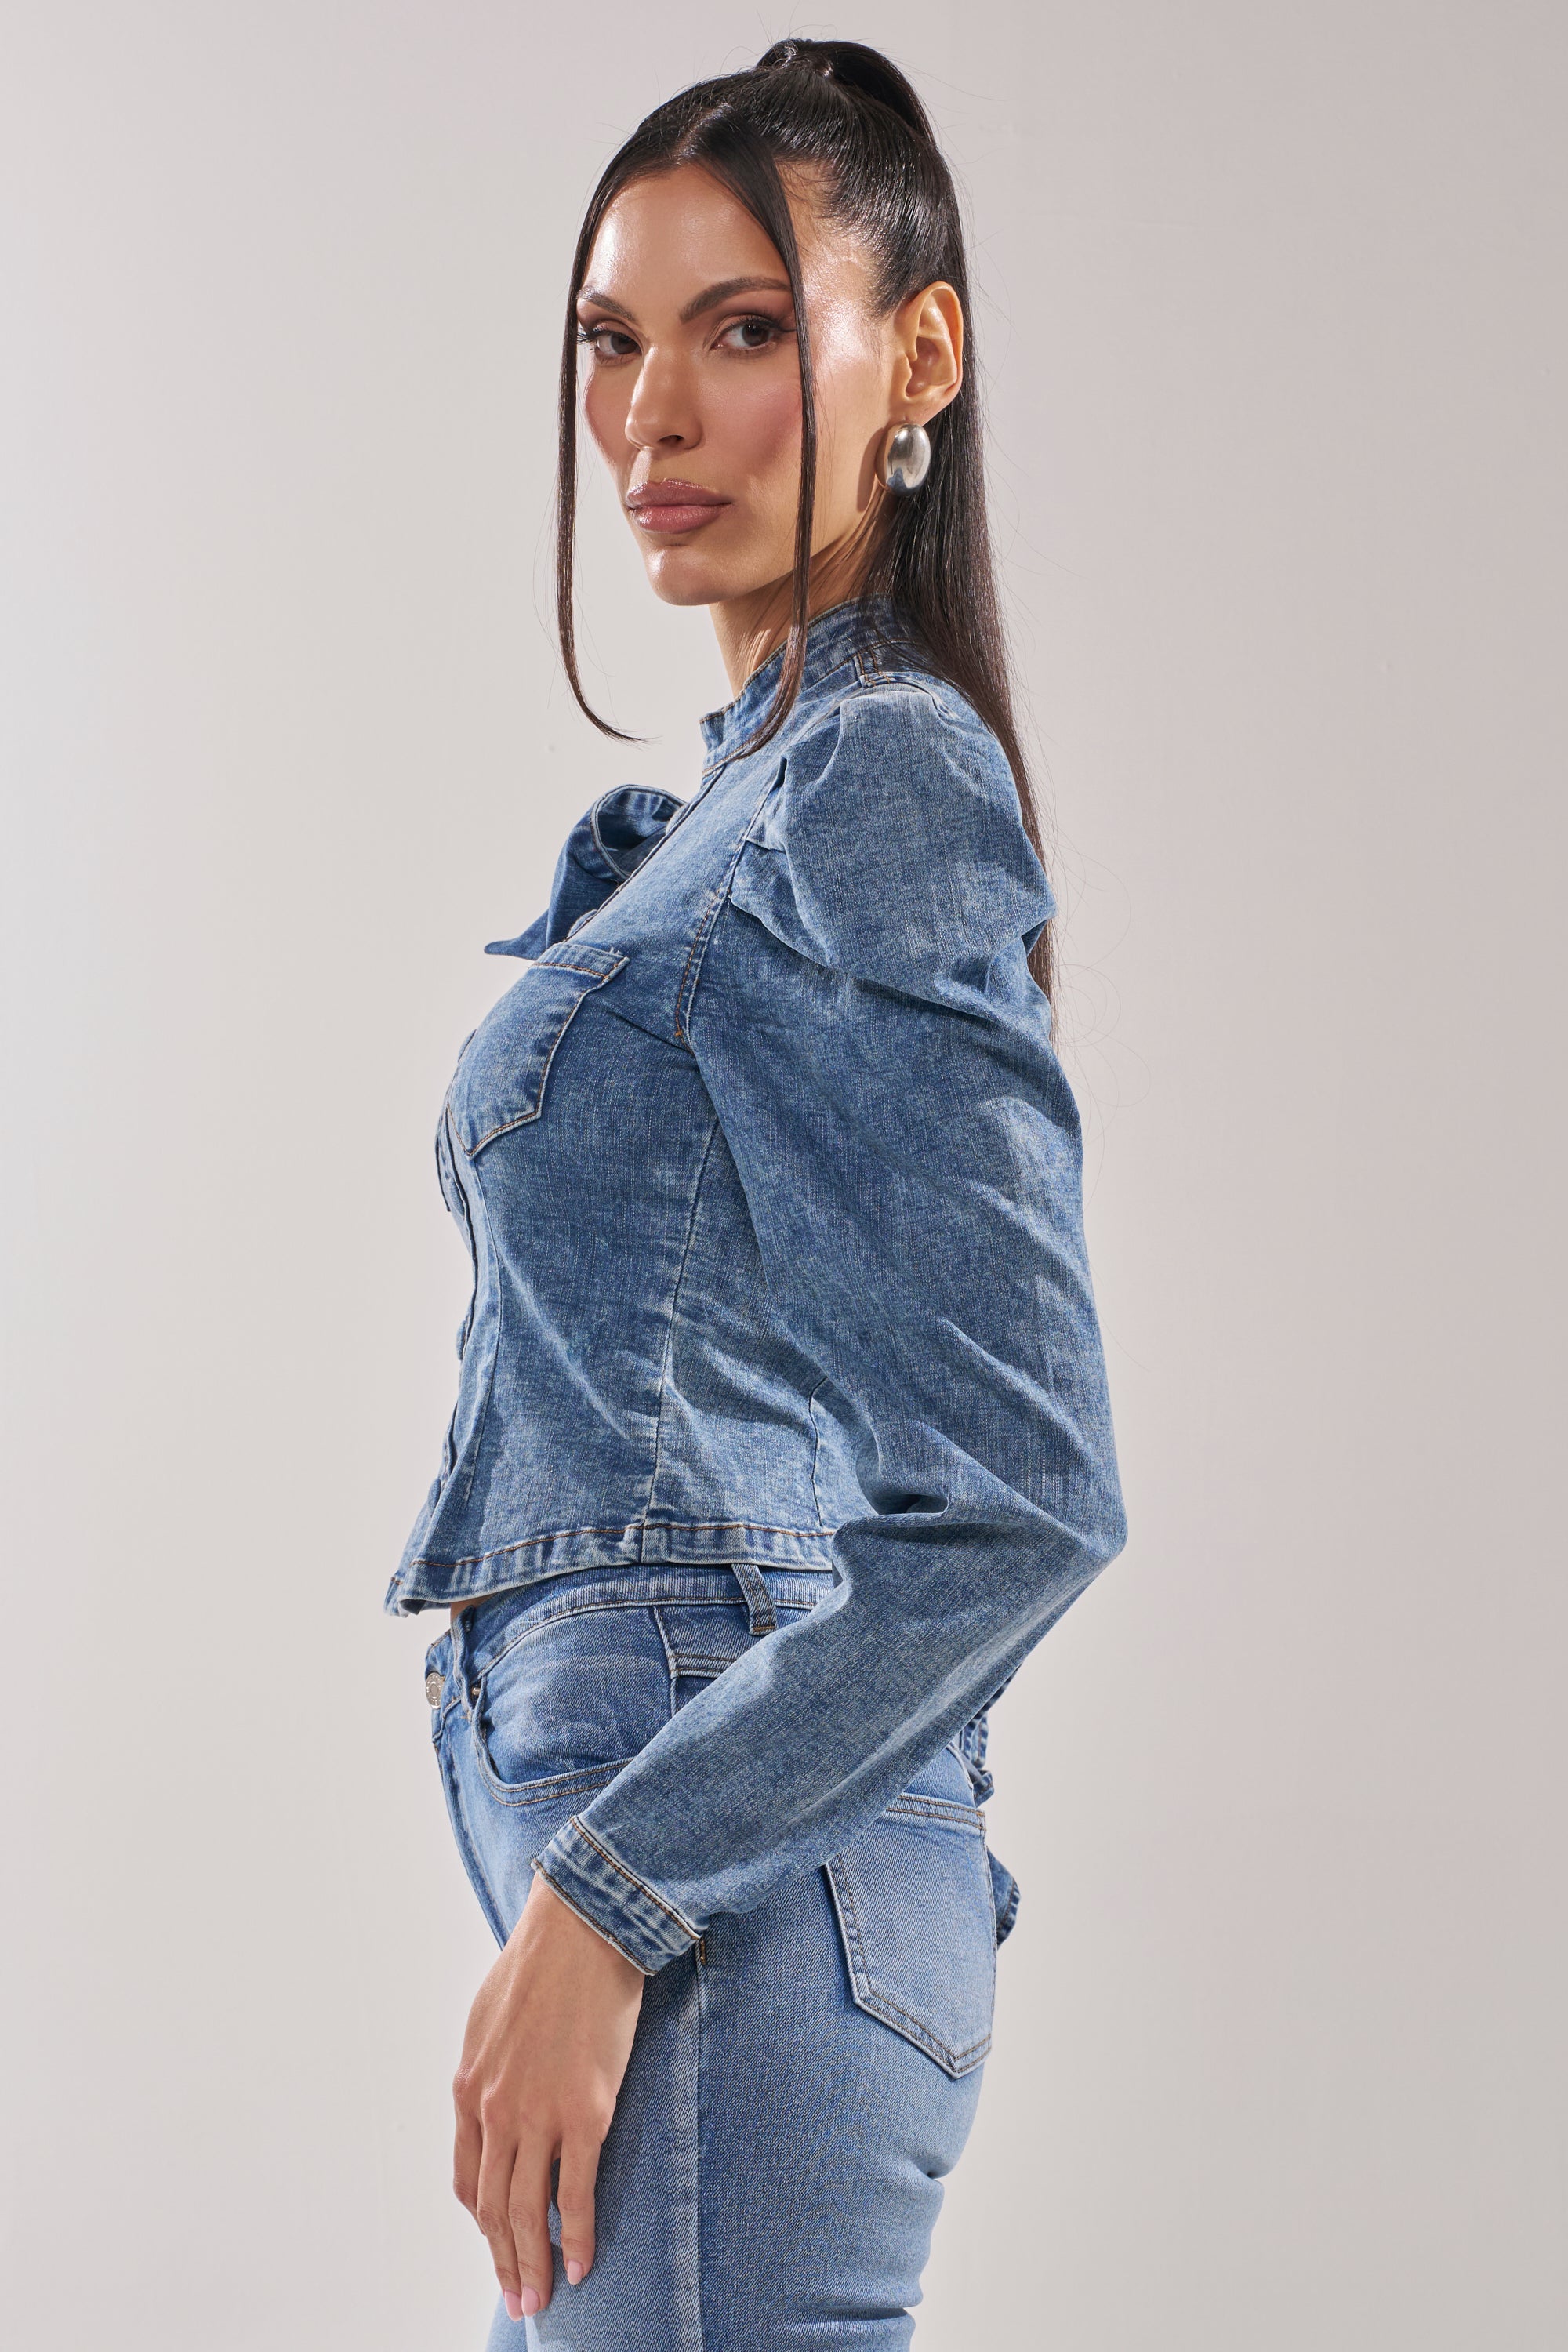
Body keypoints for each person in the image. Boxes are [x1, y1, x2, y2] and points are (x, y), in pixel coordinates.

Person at [389, 38, 1126, 2350]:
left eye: (737, 326)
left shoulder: (879, 779)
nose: (653, 412)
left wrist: (604, 1904)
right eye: (615, 338)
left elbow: (1027, 1495)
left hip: (713, 1905)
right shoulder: (737, 808)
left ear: (915, 356)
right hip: (695, 1888)